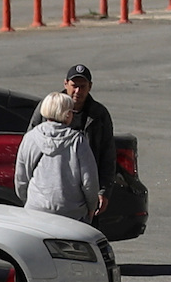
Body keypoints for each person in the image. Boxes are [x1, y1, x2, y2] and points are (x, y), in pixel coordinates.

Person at [12, 92, 101, 223]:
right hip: (72, 214)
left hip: (35, 210)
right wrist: (91, 207)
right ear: (67, 114)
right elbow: (89, 181)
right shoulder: (77, 141)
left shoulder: (30, 137)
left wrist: (30, 200)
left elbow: (21, 178)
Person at [60, 63, 117, 197]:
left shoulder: (99, 114)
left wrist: (103, 191)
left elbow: (108, 155)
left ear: (90, 86)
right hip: (55, 187)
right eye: (74, 86)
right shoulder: (49, 108)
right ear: (65, 84)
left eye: (82, 86)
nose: (78, 91)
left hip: (86, 191)